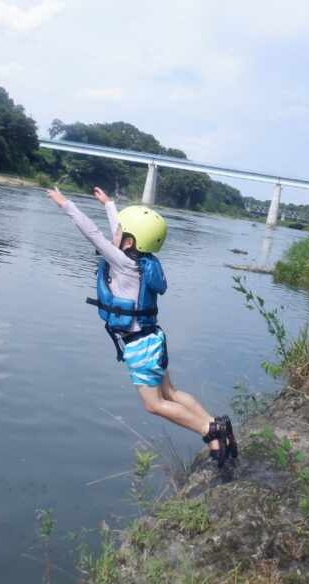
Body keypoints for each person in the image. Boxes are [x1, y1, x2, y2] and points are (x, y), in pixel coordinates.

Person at [46, 185, 238, 468]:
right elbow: (123, 232)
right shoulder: (141, 261)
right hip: (153, 338)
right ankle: (217, 424)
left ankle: (209, 432)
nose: (115, 235)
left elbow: (93, 234)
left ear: (129, 241)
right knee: (170, 394)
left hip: (140, 344)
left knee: (155, 404)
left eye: (120, 234)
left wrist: (66, 205)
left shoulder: (123, 263)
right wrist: (109, 205)